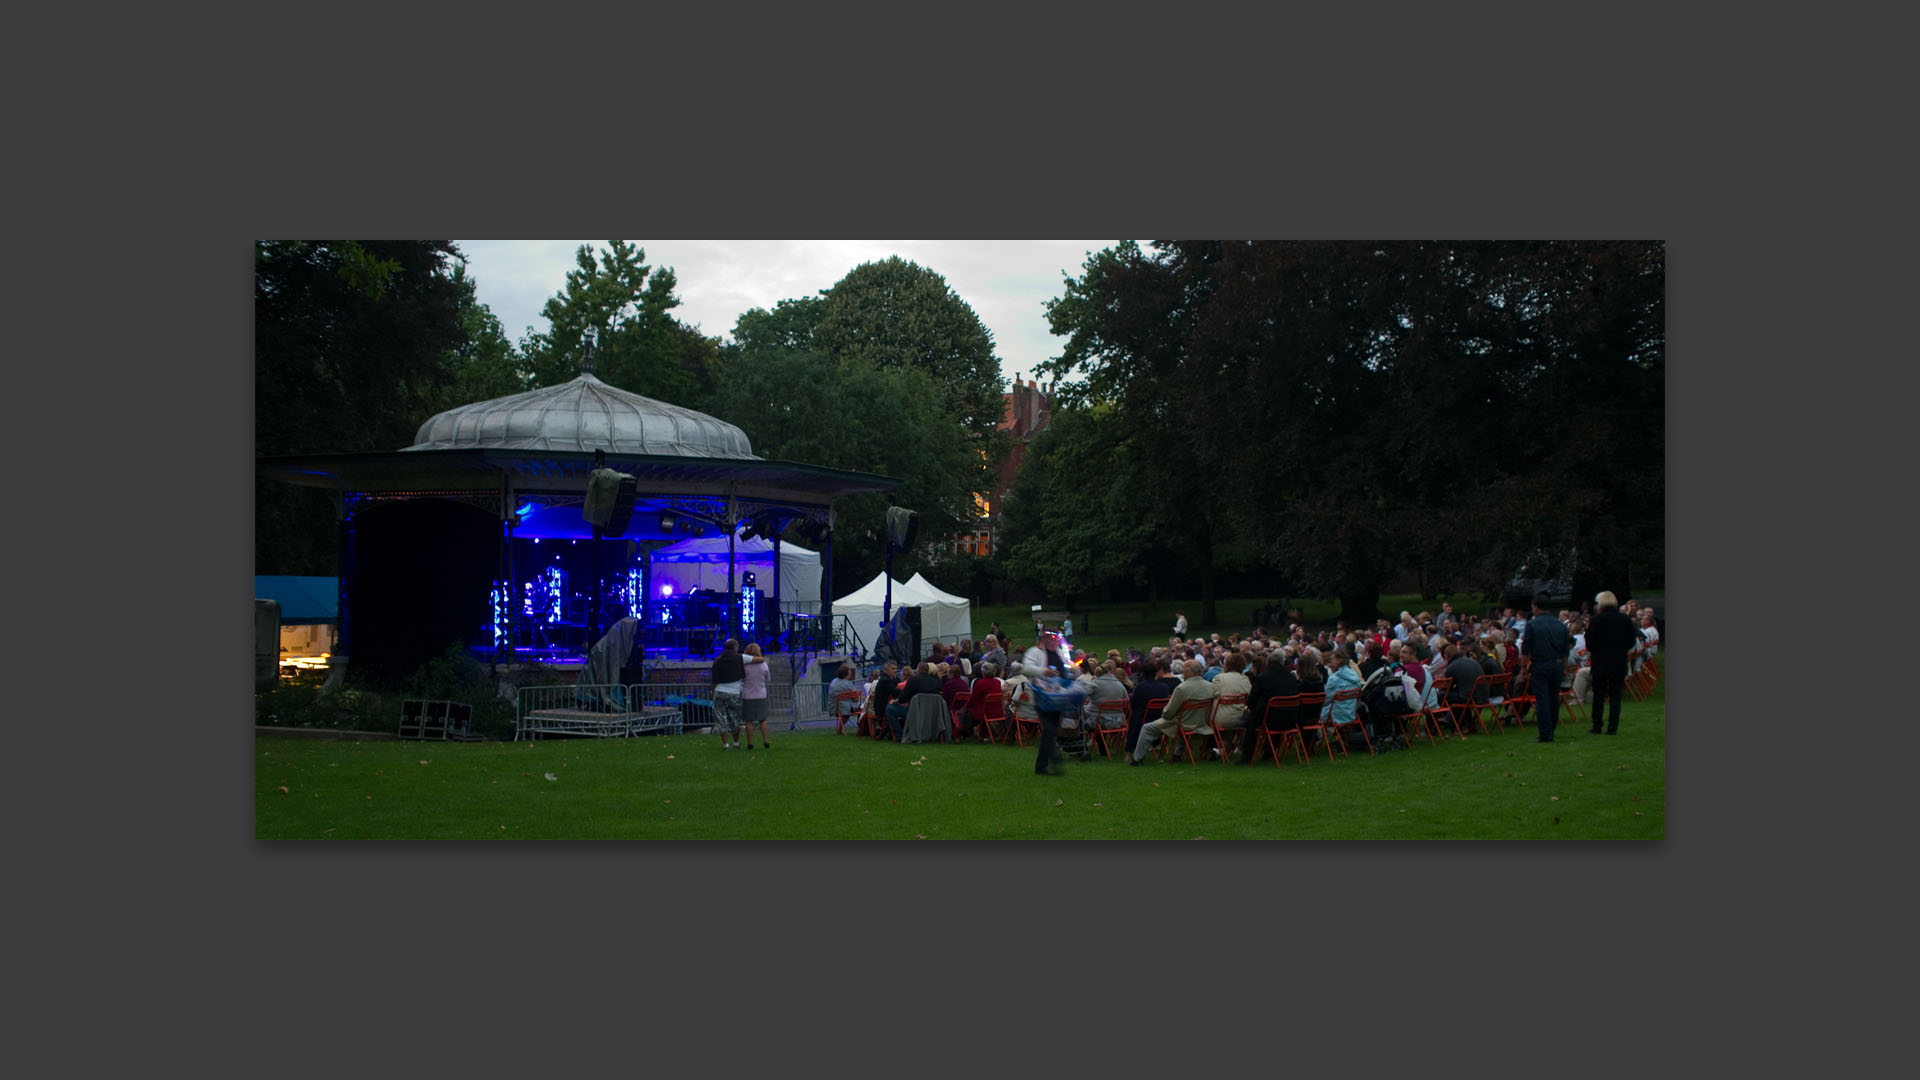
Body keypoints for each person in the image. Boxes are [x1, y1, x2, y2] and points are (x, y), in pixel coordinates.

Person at [1131, 659, 1216, 764]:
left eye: (1184, 668)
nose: (1182, 671)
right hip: (1201, 722)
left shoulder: (1182, 688)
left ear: (1191, 671)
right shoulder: (1210, 686)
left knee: (1147, 728)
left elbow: (1169, 713)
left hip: (1182, 724)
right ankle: (1176, 754)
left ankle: (1137, 759)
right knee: (1181, 719)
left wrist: (1164, 713)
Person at [1583, 590, 1639, 735]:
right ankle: (1612, 727)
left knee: (1599, 695)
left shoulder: (1596, 620)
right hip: (1618, 661)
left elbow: (1589, 643)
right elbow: (1631, 640)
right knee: (1615, 696)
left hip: (1600, 661)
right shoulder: (1624, 619)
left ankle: (1597, 725)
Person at [1022, 629, 1073, 775]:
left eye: (1056, 639)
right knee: (1049, 729)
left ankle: (1041, 766)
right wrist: (1044, 671)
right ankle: (1055, 757)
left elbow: (1068, 669)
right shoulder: (1035, 652)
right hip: (1042, 697)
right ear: (1043, 639)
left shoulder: (1060, 654)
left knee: (1050, 732)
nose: (1053, 642)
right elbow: (1027, 668)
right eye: (1050, 639)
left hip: (1058, 698)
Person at [1524, 592, 1573, 742]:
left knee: (1542, 698)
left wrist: (1522, 668)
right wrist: (1564, 667)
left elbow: (1526, 648)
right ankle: (1552, 727)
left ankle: (1545, 732)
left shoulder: (1532, 624)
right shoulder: (1560, 625)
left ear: (1536, 607)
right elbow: (1566, 648)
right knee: (1553, 697)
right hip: (1557, 664)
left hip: (1540, 663)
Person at [1238, 649, 1302, 764]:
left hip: (1270, 719)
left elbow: (1252, 701)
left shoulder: (1263, 678)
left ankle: (1247, 757)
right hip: (1291, 719)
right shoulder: (1291, 677)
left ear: (1268, 663)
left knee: (1251, 722)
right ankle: (1269, 750)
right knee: (1270, 713)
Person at [1127, 656, 1174, 757]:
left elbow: (1132, 703)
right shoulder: (1164, 687)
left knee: (1133, 718)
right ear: (1156, 672)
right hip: (1159, 716)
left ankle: (1129, 750)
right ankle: (1154, 743)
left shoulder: (1141, 687)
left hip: (1143, 718)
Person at [711, 638, 746, 750]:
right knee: (735, 717)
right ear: (735, 647)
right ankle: (736, 742)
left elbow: (714, 679)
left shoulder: (718, 660)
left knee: (720, 718)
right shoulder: (739, 658)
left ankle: (725, 744)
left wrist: (712, 690)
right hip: (734, 692)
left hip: (720, 690)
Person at [893, 661, 942, 741]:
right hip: (932, 713)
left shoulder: (913, 680)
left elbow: (903, 699)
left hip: (915, 712)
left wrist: (896, 701)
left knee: (890, 709)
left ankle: (899, 734)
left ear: (918, 669)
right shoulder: (935, 682)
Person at [741, 641, 772, 749]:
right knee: (762, 719)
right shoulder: (763, 665)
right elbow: (768, 679)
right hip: (761, 694)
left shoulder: (745, 665)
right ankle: (766, 741)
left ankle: (750, 743)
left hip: (748, 695)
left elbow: (741, 678)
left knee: (748, 720)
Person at [962, 661, 1004, 740]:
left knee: (965, 712)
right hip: (997, 710)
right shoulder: (997, 682)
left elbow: (972, 699)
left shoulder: (981, 683)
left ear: (983, 672)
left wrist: (965, 707)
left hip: (984, 712)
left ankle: (965, 734)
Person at [866, 659, 901, 740]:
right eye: (892, 669)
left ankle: (887, 733)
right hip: (882, 709)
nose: (895, 671)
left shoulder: (890, 679)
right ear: (886, 670)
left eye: (896, 669)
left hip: (886, 706)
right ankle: (898, 734)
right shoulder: (885, 680)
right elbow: (895, 692)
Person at [828, 662, 863, 736]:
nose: (851, 674)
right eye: (850, 673)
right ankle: (861, 727)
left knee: (845, 714)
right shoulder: (848, 684)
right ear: (845, 675)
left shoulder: (834, 682)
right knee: (862, 709)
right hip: (846, 708)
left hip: (835, 707)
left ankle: (840, 730)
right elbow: (856, 697)